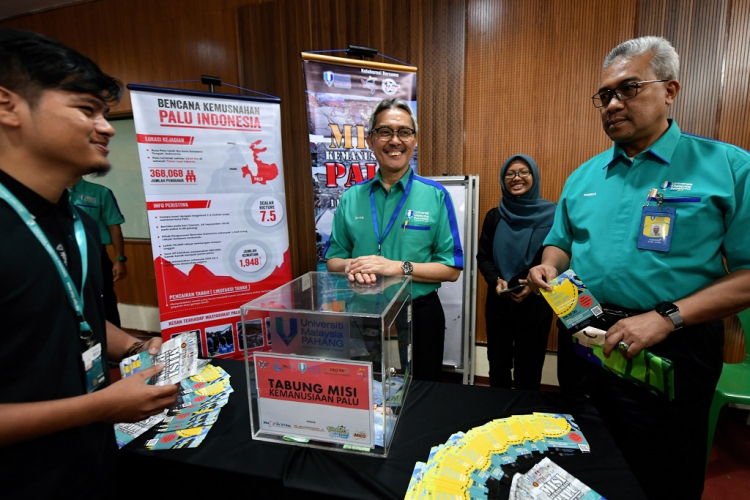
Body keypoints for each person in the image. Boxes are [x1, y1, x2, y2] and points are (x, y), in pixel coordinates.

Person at [526, 36, 750, 499]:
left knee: (663, 473)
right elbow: (560, 243)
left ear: (670, 90)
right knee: (585, 461)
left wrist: (666, 317)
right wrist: (547, 266)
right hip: (585, 336)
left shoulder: (727, 168)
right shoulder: (583, 176)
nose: (612, 103)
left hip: (672, 343)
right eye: (605, 95)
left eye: (628, 89)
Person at [0, 29, 179, 498]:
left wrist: (136, 348)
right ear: (7, 106)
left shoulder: (73, 219)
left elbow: (62, 320)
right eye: (86, 109)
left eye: (105, 112)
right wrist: (98, 407)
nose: (106, 127)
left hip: (87, 463)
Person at [325, 98, 463, 381]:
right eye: (385, 132)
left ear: (414, 140)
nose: (394, 140)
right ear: (371, 140)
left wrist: (397, 267)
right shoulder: (351, 197)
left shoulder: (435, 196)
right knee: (366, 390)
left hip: (419, 312)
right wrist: (354, 265)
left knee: (422, 390)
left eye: (404, 132)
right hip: (362, 310)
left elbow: (451, 269)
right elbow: (332, 261)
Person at [476, 154, 555, 389]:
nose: (516, 178)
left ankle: (525, 418)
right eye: (510, 173)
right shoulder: (495, 216)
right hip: (500, 302)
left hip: (536, 303)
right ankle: (497, 418)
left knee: (529, 371)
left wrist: (532, 286)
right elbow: (483, 256)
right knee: (498, 366)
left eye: (523, 172)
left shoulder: (554, 215)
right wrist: (495, 281)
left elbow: (559, 257)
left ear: (534, 176)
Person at [70, 177, 127, 327]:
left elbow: (114, 226)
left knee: (105, 300)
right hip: (64, 255)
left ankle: (114, 347)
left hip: (95, 255)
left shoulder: (100, 192)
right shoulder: (50, 190)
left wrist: (120, 259)